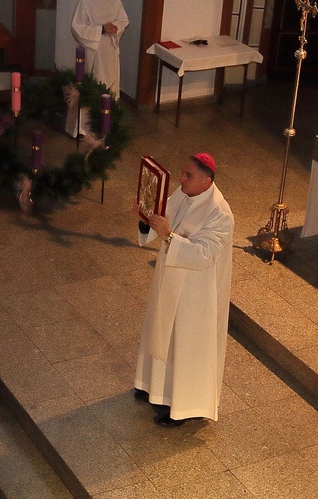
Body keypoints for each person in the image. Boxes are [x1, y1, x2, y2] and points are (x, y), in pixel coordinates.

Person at [133, 153, 234, 427]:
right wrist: (147, 221)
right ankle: (152, 385)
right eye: (182, 173)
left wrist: (168, 236)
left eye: (187, 175)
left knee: (185, 346)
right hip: (169, 278)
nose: (181, 179)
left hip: (195, 292)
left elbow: (205, 254)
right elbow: (164, 215)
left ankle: (184, 407)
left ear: (206, 181)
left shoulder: (220, 214)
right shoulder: (182, 194)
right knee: (161, 331)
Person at [68, 0, 128, 137]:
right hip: (92, 51)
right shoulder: (86, 2)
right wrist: (101, 29)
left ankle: (107, 124)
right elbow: (76, 27)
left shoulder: (115, 2)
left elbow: (123, 20)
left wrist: (115, 27)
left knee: (110, 86)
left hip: (110, 50)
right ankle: (82, 127)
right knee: (91, 85)